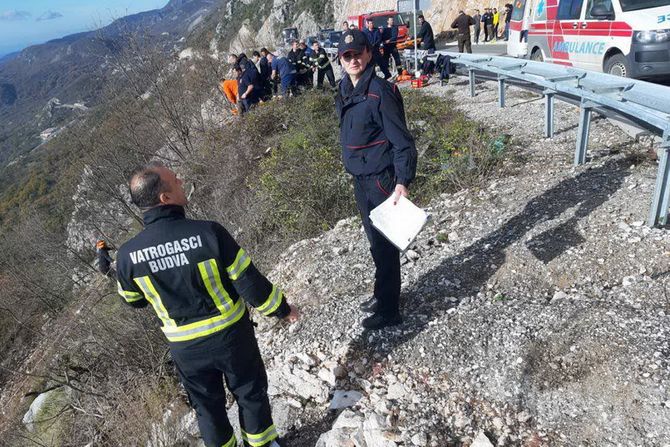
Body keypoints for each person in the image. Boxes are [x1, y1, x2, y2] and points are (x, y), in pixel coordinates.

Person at [116, 162, 298, 447]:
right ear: (165, 198)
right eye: (174, 180)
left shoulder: (127, 256)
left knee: (207, 409)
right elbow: (247, 281)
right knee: (250, 393)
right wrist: (282, 309)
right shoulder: (208, 233)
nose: (180, 179)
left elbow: (133, 301)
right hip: (231, 337)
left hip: (186, 349)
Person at [335, 29, 417, 330]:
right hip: (360, 180)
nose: (353, 59)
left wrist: (402, 181)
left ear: (368, 53)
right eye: (347, 55)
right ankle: (382, 294)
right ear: (341, 60)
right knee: (374, 242)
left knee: (384, 246)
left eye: (358, 53)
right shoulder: (344, 89)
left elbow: (403, 141)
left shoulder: (380, 92)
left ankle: (389, 310)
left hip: (381, 179)